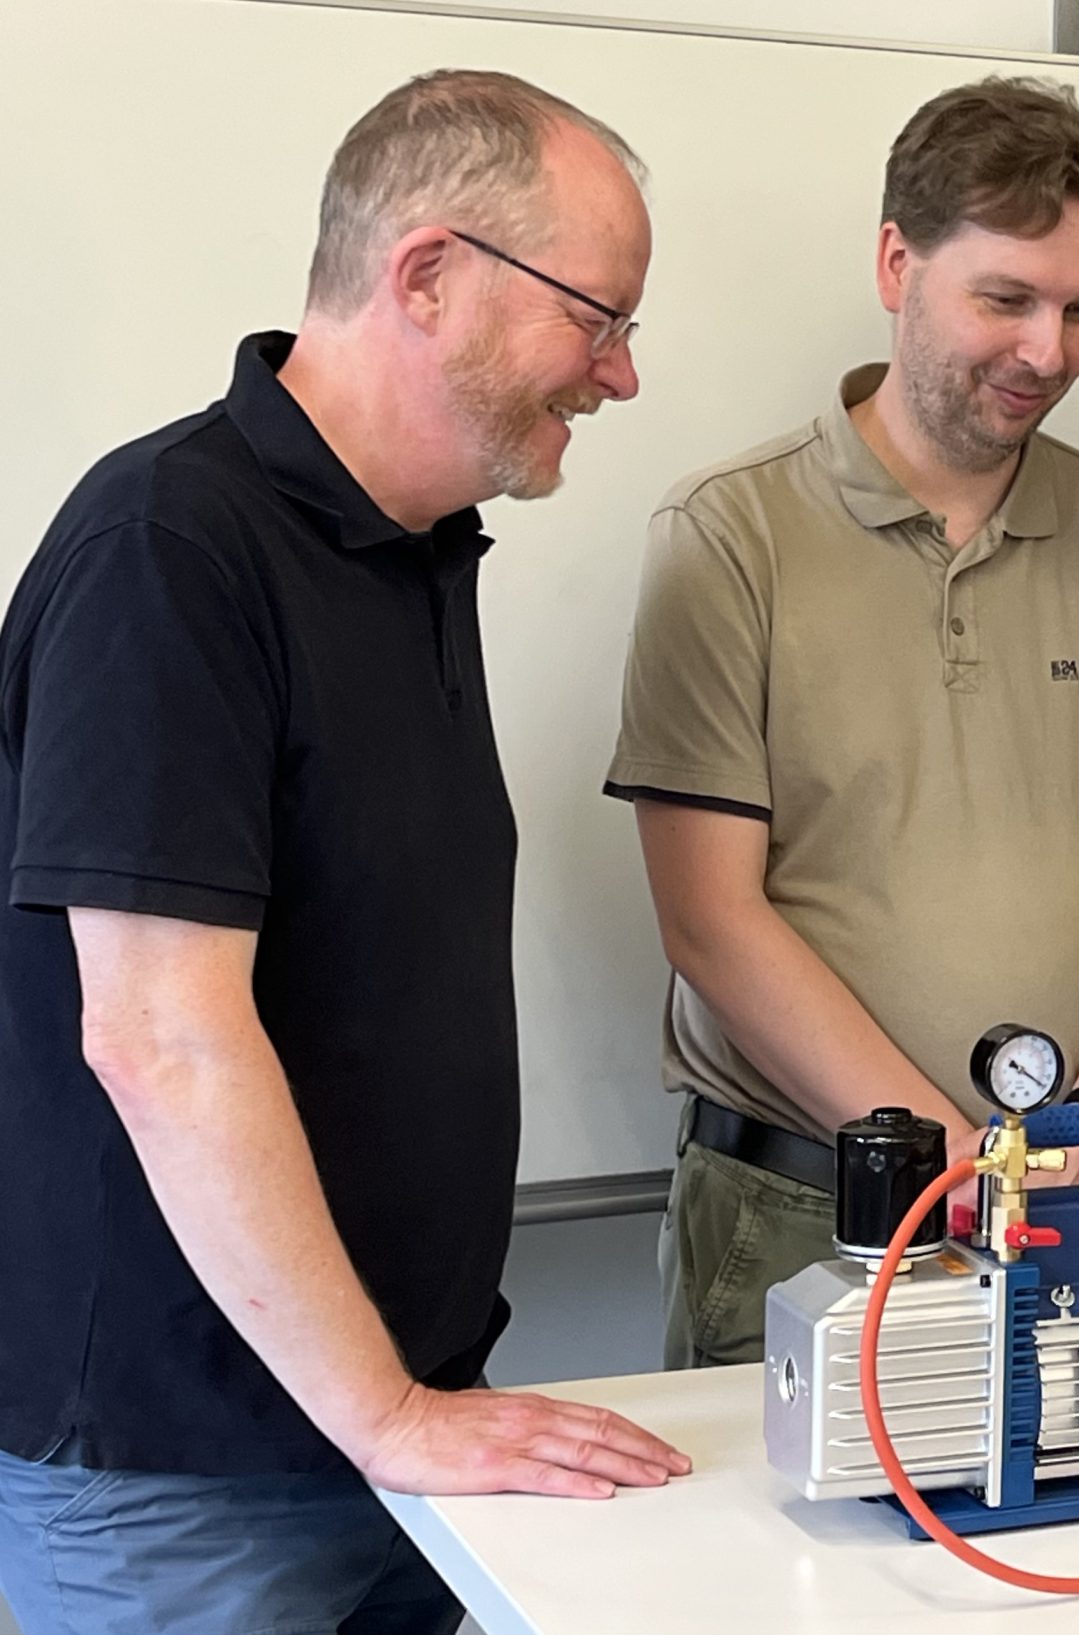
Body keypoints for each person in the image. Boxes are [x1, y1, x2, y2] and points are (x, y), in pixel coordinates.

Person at [0, 70, 690, 1635]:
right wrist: (386, 1410)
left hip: (398, 1426)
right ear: (430, 272)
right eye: (595, 316)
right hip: (188, 1476)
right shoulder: (169, 547)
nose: (621, 372)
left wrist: (410, 1407)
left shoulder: (417, 552)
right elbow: (159, 1035)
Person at [610, 76, 1079, 1369]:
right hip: (805, 1206)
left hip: (1074, 1196)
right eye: (1006, 300)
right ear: (898, 263)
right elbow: (709, 915)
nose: (1047, 352)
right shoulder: (730, 533)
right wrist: (942, 1156)